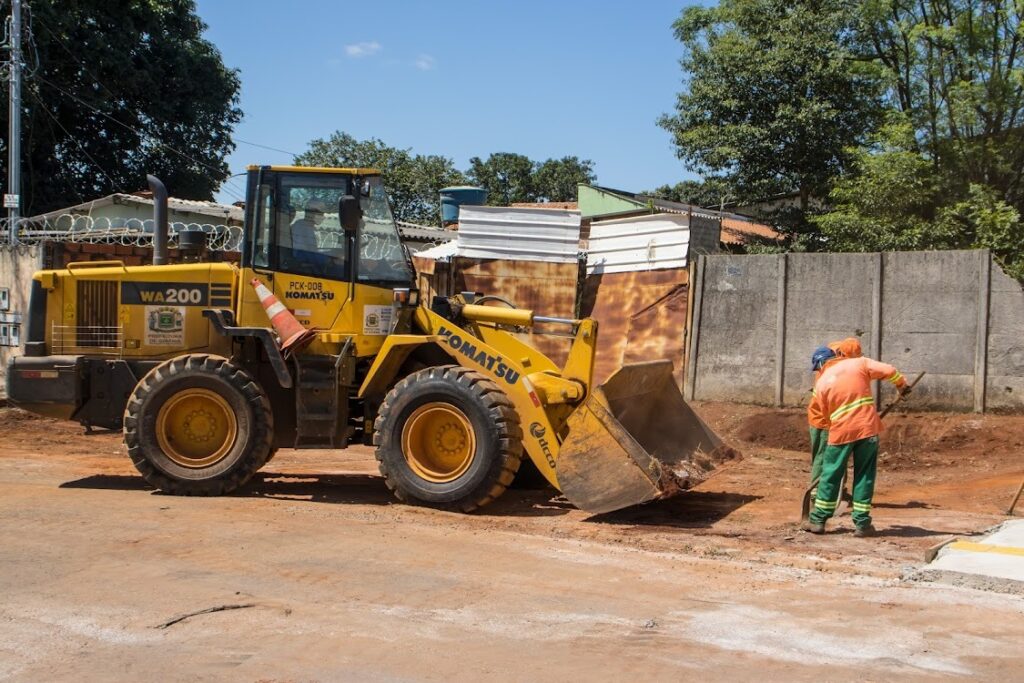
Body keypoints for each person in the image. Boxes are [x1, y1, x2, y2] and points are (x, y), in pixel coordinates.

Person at [802, 353, 909, 537]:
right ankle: (862, 523)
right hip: (867, 428)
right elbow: (890, 371)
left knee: (831, 473)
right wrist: (901, 385)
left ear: (821, 364)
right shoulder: (860, 363)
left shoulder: (820, 385)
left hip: (841, 431)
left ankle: (818, 520)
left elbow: (826, 417)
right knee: (865, 473)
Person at [807, 345, 836, 484]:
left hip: (820, 420)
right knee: (822, 456)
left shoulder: (829, 372)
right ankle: (816, 490)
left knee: (829, 457)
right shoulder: (828, 374)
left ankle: (837, 490)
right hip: (823, 422)